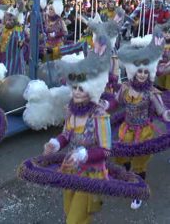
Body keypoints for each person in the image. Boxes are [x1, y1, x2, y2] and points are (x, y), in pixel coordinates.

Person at [43, 34, 112, 224]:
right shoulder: (70, 110)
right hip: (70, 168)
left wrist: (84, 155)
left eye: (81, 89)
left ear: (92, 90)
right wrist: (56, 143)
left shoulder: (100, 116)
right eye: (74, 88)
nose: (76, 93)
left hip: (90, 174)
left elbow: (106, 150)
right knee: (69, 211)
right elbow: (66, 134)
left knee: (75, 220)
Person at [116, 28, 170, 209]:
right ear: (134, 72)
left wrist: (165, 114)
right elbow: (114, 103)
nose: (141, 75)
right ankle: (126, 182)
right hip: (127, 128)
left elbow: (160, 108)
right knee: (122, 158)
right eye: (139, 71)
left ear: (148, 74)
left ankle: (138, 193)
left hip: (144, 132)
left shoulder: (150, 91)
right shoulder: (124, 88)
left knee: (140, 163)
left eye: (145, 73)